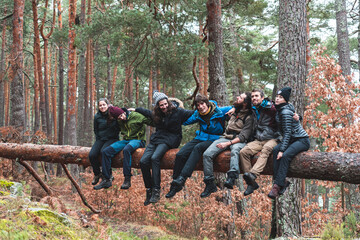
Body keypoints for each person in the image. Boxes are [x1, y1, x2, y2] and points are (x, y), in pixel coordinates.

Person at [165, 94, 232, 199]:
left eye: (202, 104)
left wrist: (235, 109)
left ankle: (183, 178)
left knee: (198, 148)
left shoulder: (219, 111)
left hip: (216, 139)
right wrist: (175, 111)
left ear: (207, 103)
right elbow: (186, 121)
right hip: (201, 137)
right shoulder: (198, 114)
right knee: (181, 154)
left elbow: (236, 107)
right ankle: (176, 183)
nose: (200, 107)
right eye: (198, 105)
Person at [135, 91, 194, 205]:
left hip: (171, 139)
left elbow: (194, 113)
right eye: (161, 105)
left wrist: (215, 109)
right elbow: (146, 112)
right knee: (143, 161)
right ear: (158, 105)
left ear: (168, 102)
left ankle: (156, 190)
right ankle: (149, 190)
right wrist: (134, 109)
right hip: (157, 139)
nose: (164, 107)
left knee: (155, 158)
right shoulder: (156, 114)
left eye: (165, 104)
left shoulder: (178, 112)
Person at [200, 92, 254, 197]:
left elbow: (243, 136)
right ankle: (209, 183)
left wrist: (227, 144)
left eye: (240, 97)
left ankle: (232, 177)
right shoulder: (235, 110)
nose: (237, 97)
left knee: (235, 151)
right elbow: (218, 110)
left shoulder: (250, 117)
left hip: (239, 140)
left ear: (245, 103)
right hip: (225, 137)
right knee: (207, 154)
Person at [93, 106, 151, 190]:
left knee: (127, 149)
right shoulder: (119, 121)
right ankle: (107, 179)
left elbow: (152, 121)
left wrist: (141, 110)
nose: (121, 118)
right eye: (119, 118)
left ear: (123, 112)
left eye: (121, 115)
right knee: (106, 151)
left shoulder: (136, 116)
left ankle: (127, 178)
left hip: (138, 140)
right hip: (126, 140)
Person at [268, 87, 310, 199]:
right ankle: (282, 182)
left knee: (284, 155)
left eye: (280, 97)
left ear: (285, 100)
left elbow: (287, 132)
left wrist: (282, 150)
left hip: (301, 140)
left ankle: (276, 186)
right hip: (292, 140)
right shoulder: (281, 108)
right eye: (277, 96)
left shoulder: (285, 111)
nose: (277, 99)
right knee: (275, 150)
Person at [239, 89, 278, 196]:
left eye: (256, 96)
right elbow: (239, 105)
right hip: (259, 139)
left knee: (266, 150)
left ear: (262, 97)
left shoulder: (272, 108)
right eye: (252, 96)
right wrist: (233, 108)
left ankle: (253, 174)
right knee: (244, 152)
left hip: (273, 138)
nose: (254, 98)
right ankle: (251, 183)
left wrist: (297, 117)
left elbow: (285, 113)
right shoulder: (253, 108)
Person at [89, 98, 120, 186]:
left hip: (112, 139)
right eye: (100, 105)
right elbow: (96, 129)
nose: (102, 107)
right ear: (98, 107)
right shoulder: (97, 116)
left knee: (103, 152)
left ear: (107, 105)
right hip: (101, 139)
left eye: (104, 105)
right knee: (92, 155)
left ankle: (108, 176)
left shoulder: (113, 114)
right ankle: (97, 174)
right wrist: (98, 140)